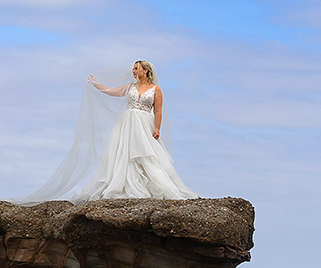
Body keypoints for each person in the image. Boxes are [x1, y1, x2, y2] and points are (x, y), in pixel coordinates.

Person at [12, 60, 199, 204]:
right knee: (124, 154)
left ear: (146, 70)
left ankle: (153, 187)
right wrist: (95, 85)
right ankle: (126, 186)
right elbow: (112, 91)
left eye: (136, 68)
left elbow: (157, 110)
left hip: (145, 123)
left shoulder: (155, 89)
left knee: (147, 156)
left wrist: (157, 128)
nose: (133, 72)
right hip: (128, 122)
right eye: (133, 69)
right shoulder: (130, 87)